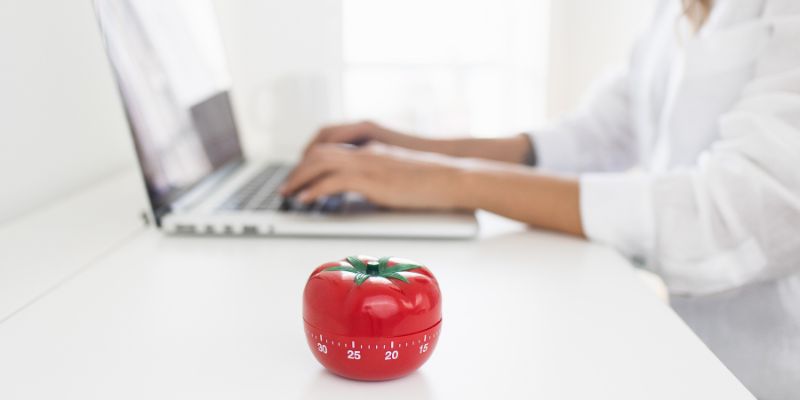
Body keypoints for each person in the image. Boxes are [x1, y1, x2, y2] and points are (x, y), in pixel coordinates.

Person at [282, 0, 800, 397]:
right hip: (684, 350)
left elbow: (738, 211)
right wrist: (405, 150)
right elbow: (599, 133)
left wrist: (448, 179)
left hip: (762, 372)